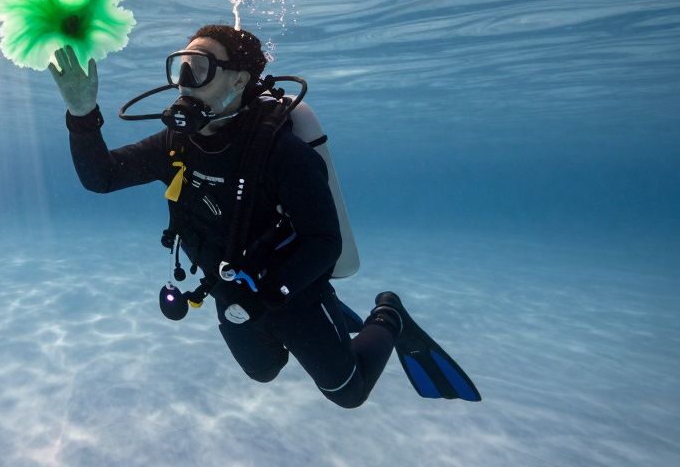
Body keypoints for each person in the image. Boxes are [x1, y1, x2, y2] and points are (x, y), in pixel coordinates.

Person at [48, 24, 480, 407]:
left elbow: (324, 242)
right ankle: (330, 319)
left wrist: (270, 295)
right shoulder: (174, 145)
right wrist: (82, 116)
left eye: (199, 68)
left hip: (292, 289)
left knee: (348, 393)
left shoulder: (279, 152)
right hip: (226, 286)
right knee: (264, 370)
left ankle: (389, 314)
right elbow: (102, 177)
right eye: (181, 66)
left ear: (239, 79)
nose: (184, 82)